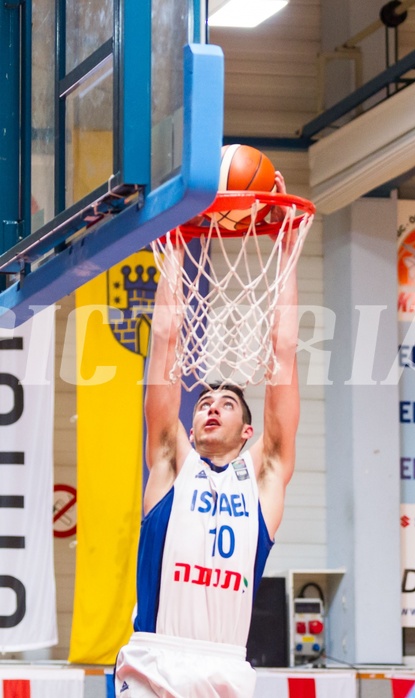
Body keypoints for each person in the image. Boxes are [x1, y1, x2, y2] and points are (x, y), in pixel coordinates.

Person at [115, 172, 301, 698]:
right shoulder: (173, 460)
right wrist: (175, 241)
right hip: (156, 660)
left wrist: (285, 252)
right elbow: (167, 343)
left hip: (226, 668)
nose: (211, 408)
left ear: (248, 431)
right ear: (191, 427)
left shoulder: (263, 477)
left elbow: (283, 355)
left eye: (226, 403)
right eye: (203, 404)